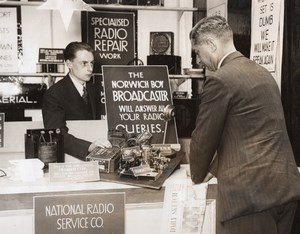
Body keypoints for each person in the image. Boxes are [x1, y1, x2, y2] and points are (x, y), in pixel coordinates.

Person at [188, 15, 300, 234]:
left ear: (211, 44)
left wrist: (197, 173)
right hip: (285, 191)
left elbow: (203, 140)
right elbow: (252, 130)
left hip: (248, 201)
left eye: (197, 52)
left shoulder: (220, 79)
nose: (199, 60)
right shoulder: (263, 74)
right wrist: (214, 167)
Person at [42, 41, 111, 160]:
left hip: (97, 155)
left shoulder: (93, 89)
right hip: (70, 158)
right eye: (84, 63)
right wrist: (89, 146)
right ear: (69, 64)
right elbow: (55, 134)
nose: (90, 69)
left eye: (91, 63)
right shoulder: (54, 94)